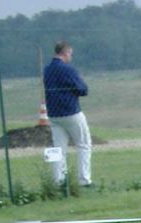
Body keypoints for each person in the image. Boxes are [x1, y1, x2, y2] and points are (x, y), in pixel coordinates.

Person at [43, 41, 93, 187]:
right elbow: (83, 89)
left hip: (53, 114)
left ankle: (58, 181)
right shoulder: (68, 70)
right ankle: (84, 180)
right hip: (71, 112)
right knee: (83, 144)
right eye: (70, 54)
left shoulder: (47, 69)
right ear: (65, 53)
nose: (71, 57)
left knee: (58, 149)